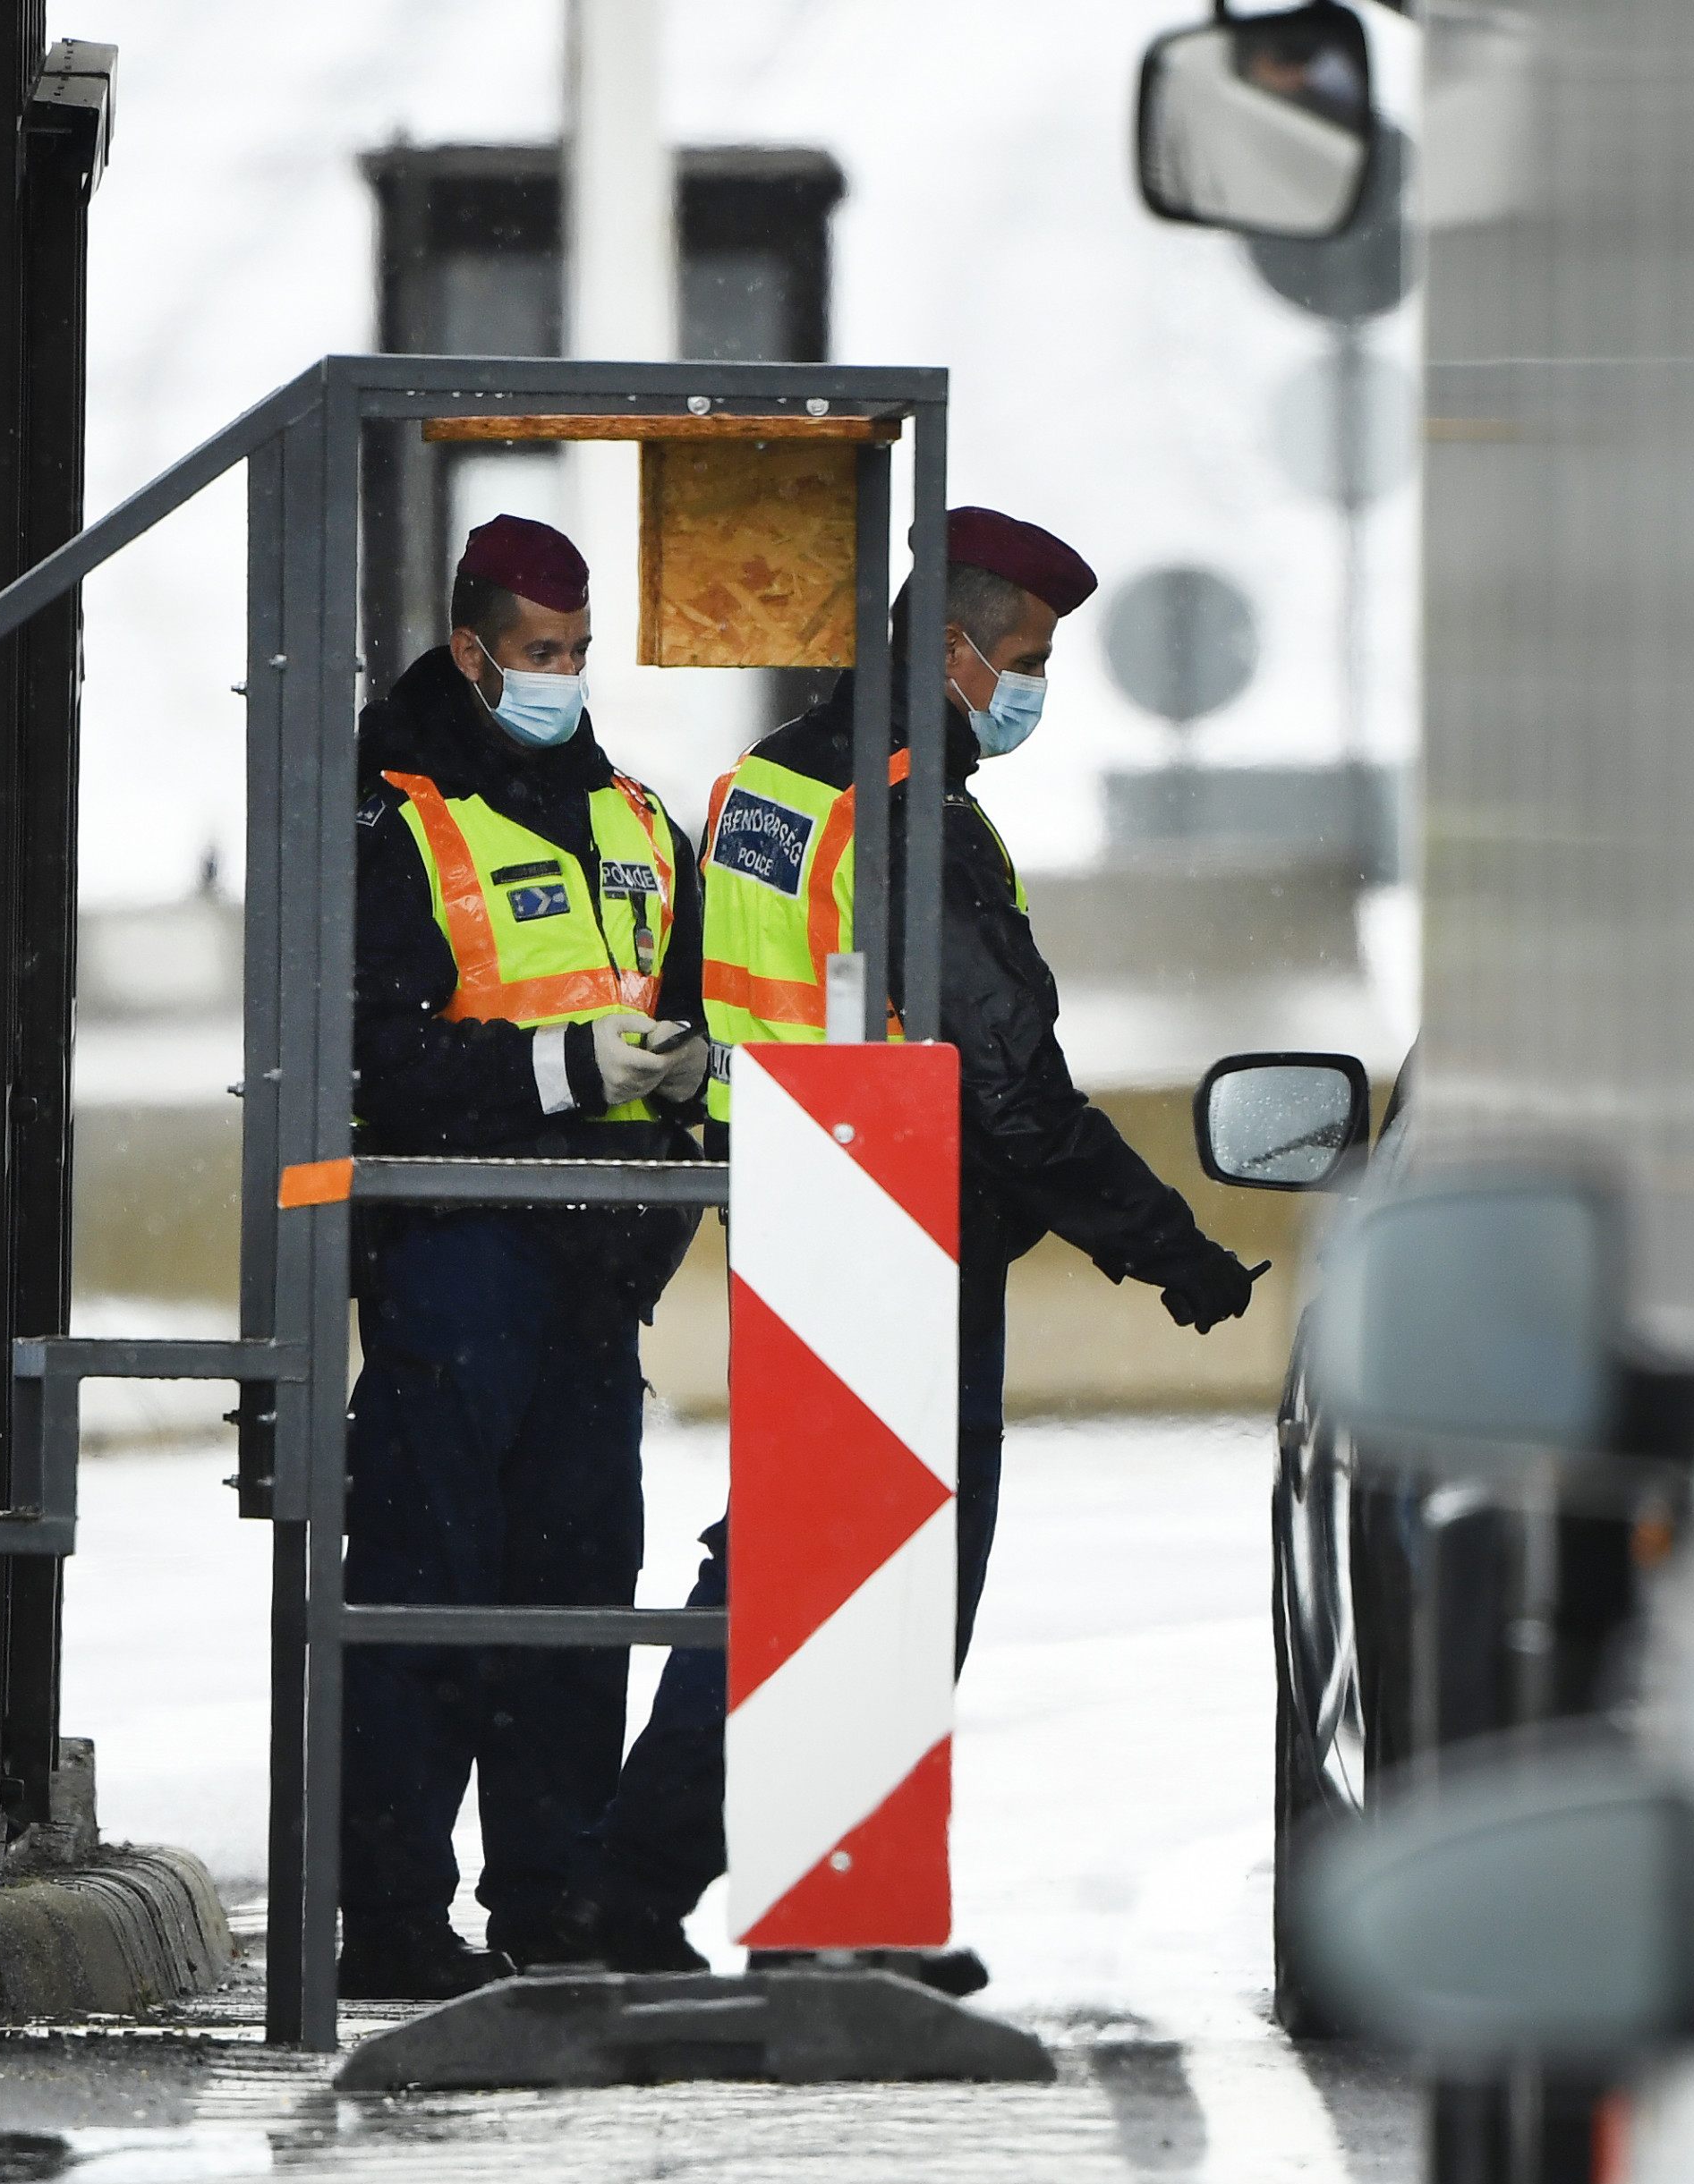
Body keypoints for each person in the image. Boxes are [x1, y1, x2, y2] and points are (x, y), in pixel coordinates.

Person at [535, 506, 1267, 1971]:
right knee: (879, 1582)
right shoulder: (906, 805)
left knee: (800, 1569)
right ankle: (732, 1901)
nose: (1031, 687)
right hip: (894, 1224)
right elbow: (1002, 1080)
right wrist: (1164, 1242)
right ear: (949, 650)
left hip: (800, 1208)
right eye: (1025, 658)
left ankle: (706, 1899)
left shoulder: (763, 786)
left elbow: (703, 1008)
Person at [336, 514, 715, 2001]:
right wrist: (567, 1067)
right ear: (474, 648)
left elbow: (689, 1001)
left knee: (576, 1592)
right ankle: (390, 1918)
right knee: (430, 1592)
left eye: (580, 652)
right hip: (455, 1249)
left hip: (597, 1263)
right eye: (538, 654)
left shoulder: (633, 814)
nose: (563, 676)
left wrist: (679, 1077)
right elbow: (367, 1048)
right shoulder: (388, 808)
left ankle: (550, 1900)